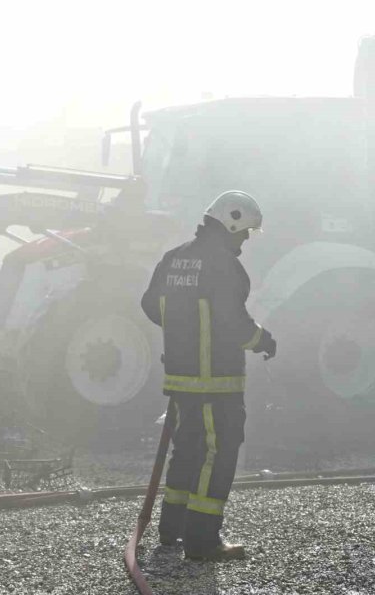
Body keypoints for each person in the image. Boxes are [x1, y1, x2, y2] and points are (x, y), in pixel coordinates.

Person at [141, 190, 276, 561]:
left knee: (187, 449)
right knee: (218, 453)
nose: (245, 241)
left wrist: (182, 330)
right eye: (244, 232)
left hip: (181, 378)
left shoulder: (174, 259)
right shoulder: (224, 266)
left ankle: (172, 531)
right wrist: (263, 339)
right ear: (231, 222)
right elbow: (234, 325)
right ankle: (202, 541)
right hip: (217, 382)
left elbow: (151, 304)